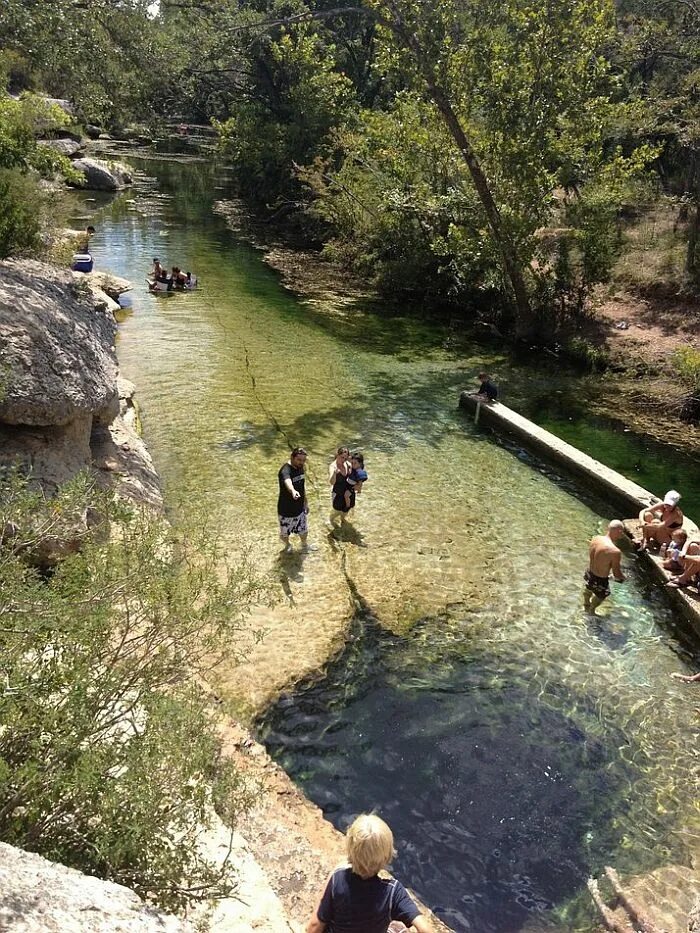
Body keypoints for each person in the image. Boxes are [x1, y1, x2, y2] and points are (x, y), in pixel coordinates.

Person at [305, 814, 431, 933]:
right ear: (387, 855)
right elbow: (426, 929)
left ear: (350, 848)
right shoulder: (393, 893)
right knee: (399, 926)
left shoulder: (338, 879)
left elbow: (314, 926)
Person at [584, 520, 626, 613]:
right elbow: (617, 574)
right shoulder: (615, 551)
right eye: (622, 532)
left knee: (588, 587)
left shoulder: (596, 538)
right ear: (619, 531)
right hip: (600, 579)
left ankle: (586, 603)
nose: (622, 534)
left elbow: (600, 559)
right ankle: (591, 610)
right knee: (601, 596)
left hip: (589, 572)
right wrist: (624, 578)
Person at [278, 447, 310, 552]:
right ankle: (287, 545)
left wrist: (305, 502)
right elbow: (288, 481)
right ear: (292, 457)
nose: (301, 462)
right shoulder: (285, 470)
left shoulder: (300, 468)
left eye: (303, 460)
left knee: (304, 531)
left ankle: (304, 545)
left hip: (299, 508)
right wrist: (293, 491)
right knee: (284, 533)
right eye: (299, 460)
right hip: (286, 510)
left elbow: (302, 486)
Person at [329, 447, 351, 530]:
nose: (344, 460)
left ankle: (342, 518)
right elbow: (331, 482)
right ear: (337, 455)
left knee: (347, 507)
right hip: (337, 492)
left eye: (345, 458)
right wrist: (334, 474)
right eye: (342, 457)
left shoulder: (347, 464)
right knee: (337, 510)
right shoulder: (333, 466)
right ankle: (331, 520)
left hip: (346, 491)